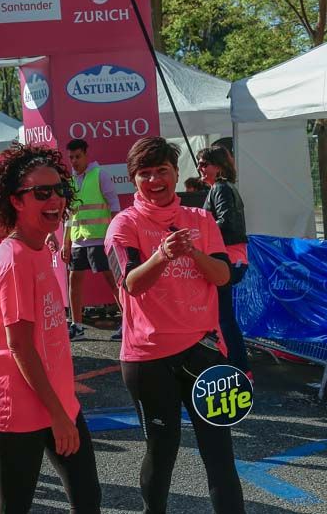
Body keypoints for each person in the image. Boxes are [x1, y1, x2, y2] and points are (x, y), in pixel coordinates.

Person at [105, 137, 243, 513]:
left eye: (161, 171)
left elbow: (222, 276)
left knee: (219, 455)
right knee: (162, 453)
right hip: (148, 358)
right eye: (144, 174)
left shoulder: (200, 219)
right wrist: (163, 254)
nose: (154, 180)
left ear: (175, 173)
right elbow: (132, 284)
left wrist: (192, 252)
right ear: (133, 180)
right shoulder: (124, 224)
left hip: (205, 352)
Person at [0, 143, 101, 513]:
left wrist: (63, 408)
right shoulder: (15, 258)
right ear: (16, 201)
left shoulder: (37, 250)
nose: (55, 200)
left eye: (59, 190)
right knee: (14, 506)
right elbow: (21, 347)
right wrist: (58, 416)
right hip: (23, 407)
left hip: (56, 398)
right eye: (41, 193)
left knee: (87, 497)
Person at [198, 145, 251, 377]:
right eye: (199, 163)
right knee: (222, 317)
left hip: (229, 260)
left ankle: (239, 368)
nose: (200, 167)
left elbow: (226, 221)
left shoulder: (220, 188)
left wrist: (199, 234)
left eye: (204, 163)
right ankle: (236, 366)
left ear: (218, 167)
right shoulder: (222, 188)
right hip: (230, 260)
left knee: (223, 318)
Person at [61, 138, 121, 342]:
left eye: (78, 156)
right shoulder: (69, 181)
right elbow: (69, 215)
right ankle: (76, 325)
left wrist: (113, 236)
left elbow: (114, 204)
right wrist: (65, 242)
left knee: (113, 281)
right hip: (79, 240)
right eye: (71, 158)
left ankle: (128, 323)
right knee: (73, 281)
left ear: (86, 155)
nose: (74, 161)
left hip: (100, 238)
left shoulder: (99, 174)